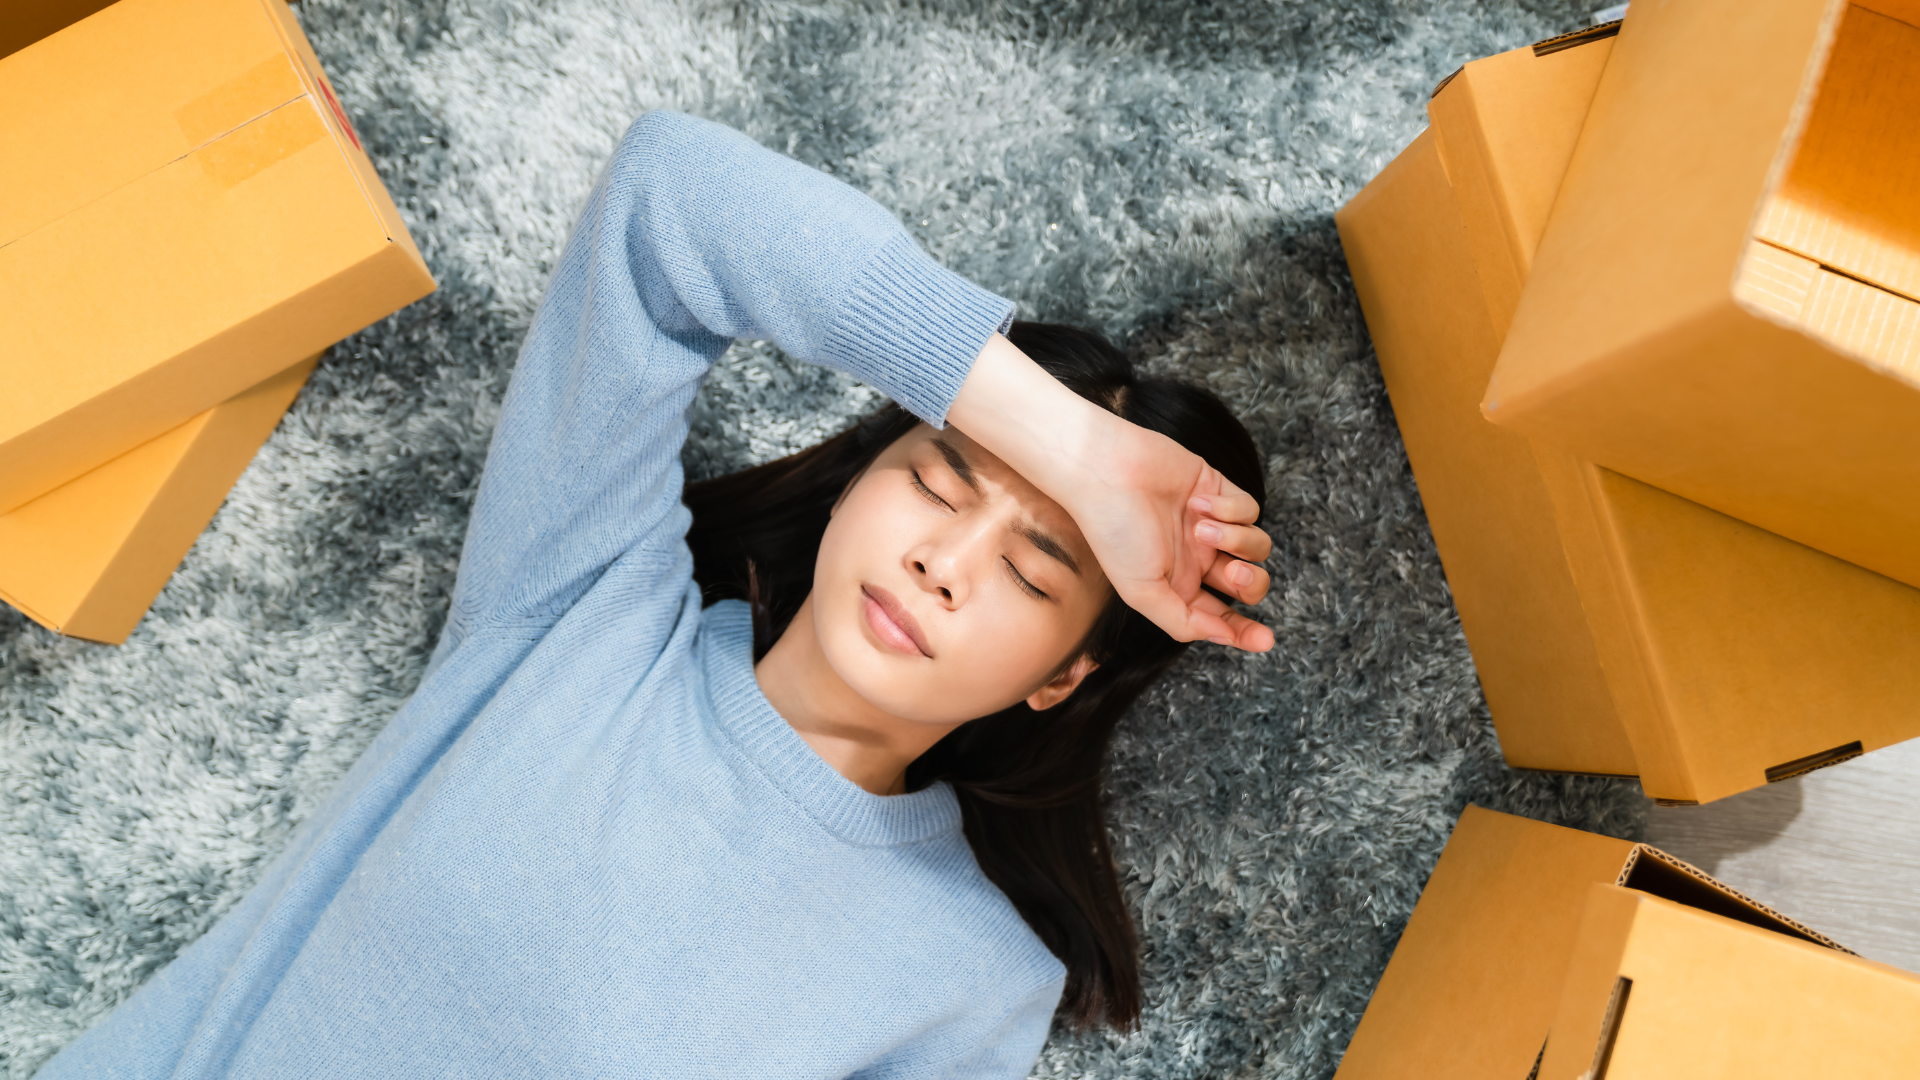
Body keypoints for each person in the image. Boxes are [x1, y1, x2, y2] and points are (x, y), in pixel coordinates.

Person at [39, 111, 1273, 1079]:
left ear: (1064, 674)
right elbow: (672, 195)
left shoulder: (969, 980)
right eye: (940, 487)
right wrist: (1066, 445)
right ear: (854, 485)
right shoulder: (582, 606)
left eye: (1026, 569)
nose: (942, 564)